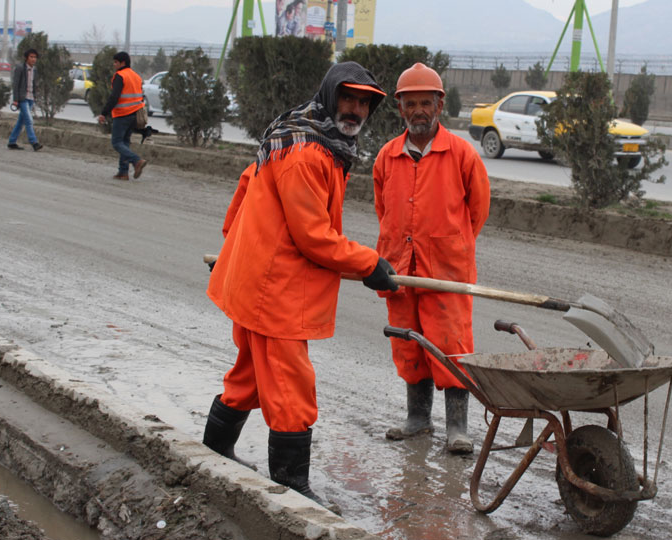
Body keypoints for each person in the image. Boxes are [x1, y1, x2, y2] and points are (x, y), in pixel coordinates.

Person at [203, 61, 398, 506]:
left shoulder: (299, 135)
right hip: (275, 291)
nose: (355, 109)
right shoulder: (308, 153)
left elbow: (246, 186)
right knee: (291, 387)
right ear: (330, 96)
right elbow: (312, 236)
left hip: (259, 281)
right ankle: (291, 485)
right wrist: (368, 264)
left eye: (363, 103)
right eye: (347, 98)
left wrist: (236, 249)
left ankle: (213, 453)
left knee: (250, 377)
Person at [372, 63, 491, 454]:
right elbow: (382, 209)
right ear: (400, 108)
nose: (419, 110)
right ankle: (418, 419)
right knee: (408, 344)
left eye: (426, 102)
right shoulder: (387, 157)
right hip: (400, 269)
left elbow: (477, 211)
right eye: (411, 104)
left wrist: (450, 243)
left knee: (451, 344)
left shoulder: (462, 154)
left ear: (440, 105)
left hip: (447, 271)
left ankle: (458, 427)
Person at [97, 52, 148, 181]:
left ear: (122, 63)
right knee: (124, 142)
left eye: (116, 62)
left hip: (122, 114)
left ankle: (137, 161)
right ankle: (123, 172)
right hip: (135, 114)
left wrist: (104, 113)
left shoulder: (120, 76)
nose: (114, 64)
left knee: (116, 143)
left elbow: (114, 97)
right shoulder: (136, 76)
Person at [7, 49, 43, 151]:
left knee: (21, 122)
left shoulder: (34, 70)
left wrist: (35, 96)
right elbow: (15, 84)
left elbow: (34, 84)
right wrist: (15, 100)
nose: (33, 59)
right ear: (26, 58)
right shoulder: (20, 68)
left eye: (35, 57)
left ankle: (12, 142)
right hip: (23, 98)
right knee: (29, 120)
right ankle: (34, 142)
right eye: (31, 57)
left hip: (31, 98)